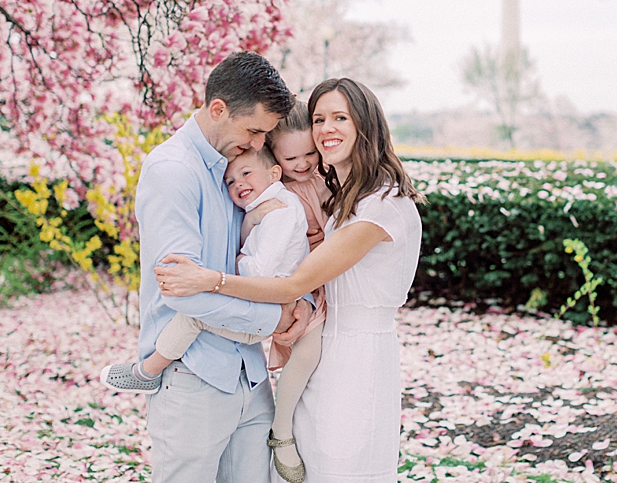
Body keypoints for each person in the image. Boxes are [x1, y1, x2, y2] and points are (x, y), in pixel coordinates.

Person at [155, 78, 424, 483]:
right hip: (321, 352)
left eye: (340, 117)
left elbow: (292, 283)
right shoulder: (343, 198)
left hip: (357, 359)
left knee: (341, 472)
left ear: (366, 125)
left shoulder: (381, 205)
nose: (326, 128)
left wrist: (210, 280)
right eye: (319, 118)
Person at [131, 51, 312, 483]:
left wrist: (300, 300)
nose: (256, 145)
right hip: (193, 375)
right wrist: (275, 315)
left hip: (250, 376)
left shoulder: (234, 170)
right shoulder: (174, 172)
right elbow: (183, 287)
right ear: (218, 109)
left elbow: (272, 250)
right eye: (252, 131)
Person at [102, 144, 321, 482]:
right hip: (210, 368)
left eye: (246, 174)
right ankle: (149, 370)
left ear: (274, 172)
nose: (237, 185)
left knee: (194, 314)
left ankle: (147, 371)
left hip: (256, 339)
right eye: (231, 181)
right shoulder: (184, 176)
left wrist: (222, 273)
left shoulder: (276, 210)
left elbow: (260, 269)